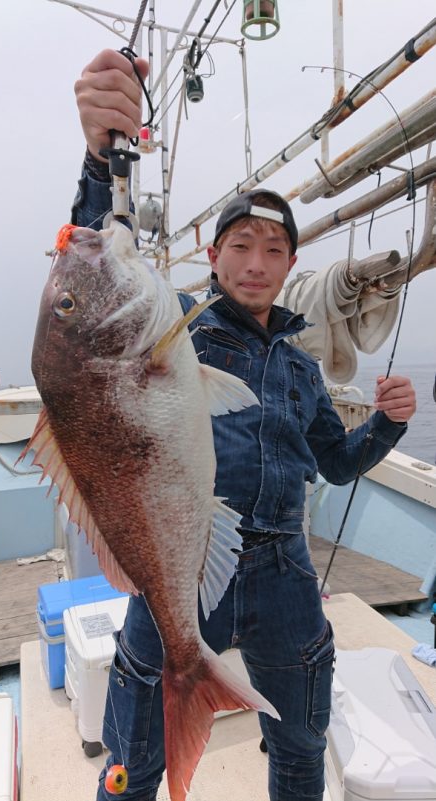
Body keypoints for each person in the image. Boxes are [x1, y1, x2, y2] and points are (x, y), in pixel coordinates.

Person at [72, 50, 416, 801]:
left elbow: (335, 460)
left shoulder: (300, 365)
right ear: (213, 254)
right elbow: (98, 284)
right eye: (241, 246)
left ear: (290, 261)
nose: (256, 263)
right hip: (183, 560)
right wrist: (102, 164)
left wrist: (385, 428)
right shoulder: (172, 336)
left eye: (272, 250)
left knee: (299, 742)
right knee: (136, 756)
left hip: (285, 571)